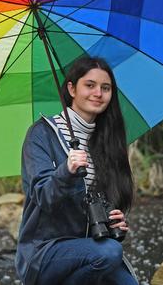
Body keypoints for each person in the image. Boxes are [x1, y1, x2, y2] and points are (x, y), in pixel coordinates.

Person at [15, 56, 138, 285]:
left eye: (105, 88)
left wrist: (113, 222)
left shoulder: (105, 140)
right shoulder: (41, 134)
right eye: (89, 85)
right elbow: (42, 196)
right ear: (72, 88)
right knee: (109, 253)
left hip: (88, 250)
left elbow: (94, 205)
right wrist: (67, 170)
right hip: (43, 252)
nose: (98, 93)